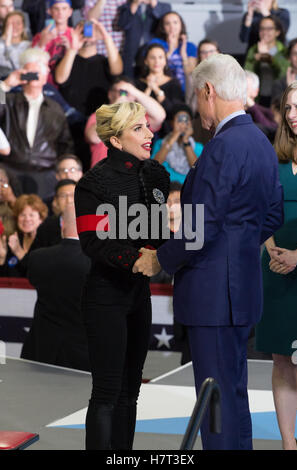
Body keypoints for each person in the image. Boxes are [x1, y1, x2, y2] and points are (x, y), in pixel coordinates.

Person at [132, 53, 284, 450]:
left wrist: (159, 258)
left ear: (209, 91)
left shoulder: (221, 146)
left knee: (214, 400)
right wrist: (237, 247)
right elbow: (274, 215)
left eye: (198, 99)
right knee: (233, 395)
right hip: (240, 289)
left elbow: (203, 224)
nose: (197, 109)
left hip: (212, 294)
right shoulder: (262, 143)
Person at [74, 101, 170, 450]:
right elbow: (94, 243)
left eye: (148, 126)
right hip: (105, 297)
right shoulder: (91, 184)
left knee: (131, 392)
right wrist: (137, 261)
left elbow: (157, 233)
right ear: (116, 140)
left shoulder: (156, 174)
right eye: (139, 128)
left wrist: (161, 253)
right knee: (107, 393)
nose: (150, 133)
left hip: (138, 296)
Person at [255, 80, 297, 451]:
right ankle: (289, 443)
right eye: (288, 108)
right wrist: (272, 250)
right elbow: (260, 209)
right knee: (282, 359)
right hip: (273, 267)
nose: (293, 114)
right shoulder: (274, 155)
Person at [20, 204, 91, 372]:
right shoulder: (97, 263)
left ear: (62, 225)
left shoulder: (38, 258)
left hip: (41, 351)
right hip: (83, 355)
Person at [0, 47, 74, 199]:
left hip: (46, 176)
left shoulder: (55, 108)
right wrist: (6, 84)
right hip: (9, 170)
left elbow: (65, 144)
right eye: (32, 69)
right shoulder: (9, 101)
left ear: (46, 75)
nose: (37, 73)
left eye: (42, 68)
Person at [84, 75, 166, 166]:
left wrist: (134, 91)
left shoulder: (139, 118)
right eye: (120, 91)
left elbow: (160, 116)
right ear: (110, 94)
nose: (123, 94)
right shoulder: (98, 116)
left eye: (127, 92)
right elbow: (93, 137)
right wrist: (115, 108)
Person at [55, 19, 123, 117]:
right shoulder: (67, 60)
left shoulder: (105, 62)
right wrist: (73, 48)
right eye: (81, 32)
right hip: (71, 118)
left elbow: (118, 70)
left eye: (90, 32)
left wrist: (106, 37)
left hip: (100, 118)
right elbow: (60, 79)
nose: (86, 35)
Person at [151, 103, 203, 184]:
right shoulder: (160, 144)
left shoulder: (198, 147)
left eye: (186, 120)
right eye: (179, 120)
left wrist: (186, 141)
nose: (182, 124)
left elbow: (198, 170)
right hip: (166, 189)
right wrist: (173, 138)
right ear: (172, 123)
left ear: (190, 123)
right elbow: (153, 167)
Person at [244, 15, 289, 107]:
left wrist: (268, 57)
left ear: (277, 32)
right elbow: (247, 73)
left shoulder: (283, 51)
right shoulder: (253, 49)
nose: (265, 32)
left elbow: (283, 73)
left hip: (277, 97)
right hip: (258, 97)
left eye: (269, 29)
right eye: (262, 28)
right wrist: (256, 59)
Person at [118, 0, 171, 78]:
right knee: (128, 77)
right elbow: (123, 25)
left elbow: (164, 23)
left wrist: (153, 4)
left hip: (153, 52)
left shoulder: (165, 7)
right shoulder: (126, 6)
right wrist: (135, 4)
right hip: (130, 53)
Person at [0, 193, 48, 277]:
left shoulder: (47, 243)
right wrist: (2, 259)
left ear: (41, 218)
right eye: (22, 215)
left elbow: (39, 275)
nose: (27, 219)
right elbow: (4, 279)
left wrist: (18, 252)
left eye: (31, 215)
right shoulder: (11, 241)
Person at [148, 11, 197, 92]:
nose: (172, 27)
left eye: (175, 22)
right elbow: (152, 66)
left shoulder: (190, 46)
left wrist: (184, 54)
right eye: (167, 23)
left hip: (186, 91)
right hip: (162, 89)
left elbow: (192, 73)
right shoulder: (156, 43)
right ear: (163, 27)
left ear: (181, 25)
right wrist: (170, 50)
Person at [135, 43, 184, 119]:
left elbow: (173, 111)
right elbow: (138, 111)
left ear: (165, 61)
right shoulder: (138, 83)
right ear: (146, 61)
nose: (157, 61)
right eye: (152, 58)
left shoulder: (174, 83)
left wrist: (156, 89)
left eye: (160, 57)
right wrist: (149, 88)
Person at [31, 0, 74, 86]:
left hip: (70, 84)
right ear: (49, 11)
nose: (60, 12)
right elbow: (30, 66)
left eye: (64, 9)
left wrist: (71, 49)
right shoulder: (40, 36)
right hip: (46, 85)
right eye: (56, 9)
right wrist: (41, 44)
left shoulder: (75, 35)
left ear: (70, 12)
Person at [31, 179, 76, 249]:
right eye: (63, 196)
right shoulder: (46, 226)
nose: (69, 200)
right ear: (56, 200)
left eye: (73, 195)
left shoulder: (91, 223)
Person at [245, 70, 278, 141]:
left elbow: (272, 131)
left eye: (245, 88)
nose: (240, 90)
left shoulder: (265, 112)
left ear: (256, 91)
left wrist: (253, 107)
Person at [0, 10, 31, 79]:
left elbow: (17, 67)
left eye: (18, 23)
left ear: (23, 26)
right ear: (5, 26)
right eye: (10, 24)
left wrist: (8, 44)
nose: (14, 26)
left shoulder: (28, 46)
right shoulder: (1, 44)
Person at [271, 37, 297, 102]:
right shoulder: (278, 84)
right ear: (289, 58)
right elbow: (277, 108)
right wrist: (289, 90)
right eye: (295, 53)